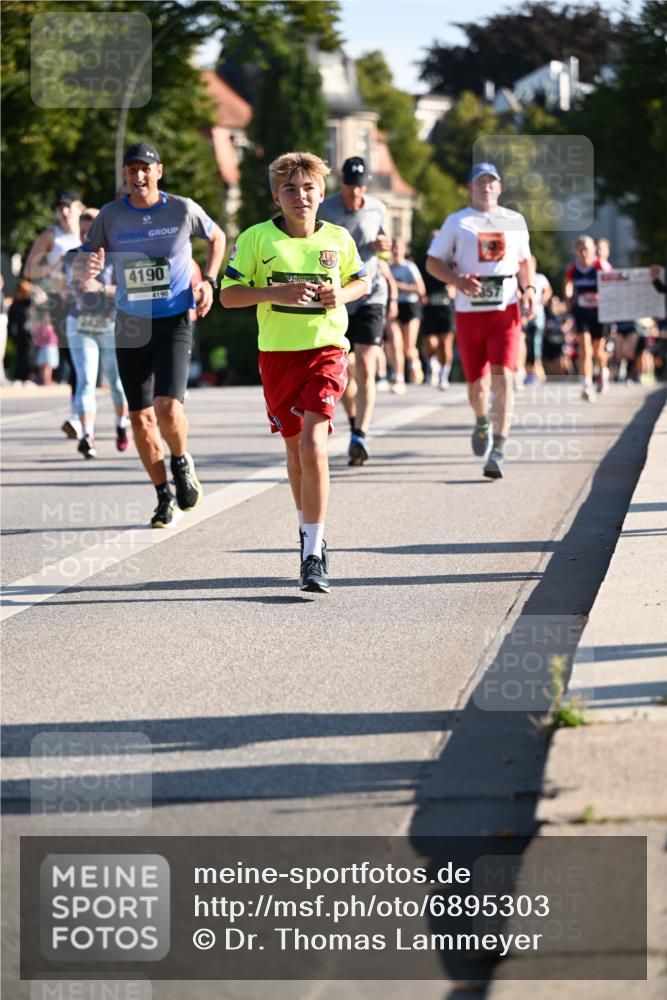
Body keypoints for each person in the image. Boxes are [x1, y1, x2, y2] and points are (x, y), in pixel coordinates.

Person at [220, 151, 368, 593]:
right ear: (276, 196)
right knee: (294, 454)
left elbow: (362, 281)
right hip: (278, 356)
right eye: (290, 189)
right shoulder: (257, 240)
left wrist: (341, 294)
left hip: (325, 350)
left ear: (322, 194)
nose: (300, 197)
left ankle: (312, 554)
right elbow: (228, 296)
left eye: (308, 189)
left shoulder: (339, 238)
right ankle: (308, 530)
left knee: (313, 444)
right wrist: (276, 290)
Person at [78, 141, 225, 526]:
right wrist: (86, 270)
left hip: (175, 318)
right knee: (140, 417)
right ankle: (163, 497)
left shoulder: (182, 209)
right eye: (132, 170)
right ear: (125, 175)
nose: (139, 176)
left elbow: (218, 238)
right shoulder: (110, 216)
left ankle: (180, 460)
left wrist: (209, 281)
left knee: (167, 408)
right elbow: (83, 262)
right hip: (131, 322)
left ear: (159, 172)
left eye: (146, 168)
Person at [426, 162, 536, 479]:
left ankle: (499, 448)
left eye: (492, 181)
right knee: (477, 386)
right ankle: (481, 420)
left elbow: (525, 261)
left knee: (504, 377)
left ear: (499, 187)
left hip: (506, 312)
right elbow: (433, 262)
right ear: (470, 187)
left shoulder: (514, 221)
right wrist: (457, 280)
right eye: (480, 182)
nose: (486, 186)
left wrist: (528, 288)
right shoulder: (457, 222)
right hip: (469, 314)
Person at [318, 156, 392, 466]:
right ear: (343, 185)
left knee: (366, 365)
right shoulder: (326, 209)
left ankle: (360, 434)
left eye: (361, 188)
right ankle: (352, 420)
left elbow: (386, 246)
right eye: (351, 188)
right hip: (340, 297)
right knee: (343, 370)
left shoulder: (377, 207)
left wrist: (383, 245)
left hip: (371, 291)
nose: (356, 195)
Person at [65, 209, 130, 459]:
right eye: (82, 231)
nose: (85, 235)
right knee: (86, 381)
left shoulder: (117, 257)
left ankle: (121, 423)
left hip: (110, 325)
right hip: (80, 325)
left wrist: (101, 287)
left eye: (89, 230)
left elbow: (128, 290)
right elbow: (69, 284)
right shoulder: (73, 256)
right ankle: (87, 435)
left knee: (115, 382)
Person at [24, 190, 84, 435]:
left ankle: (120, 419)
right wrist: (56, 264)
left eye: (69, 206)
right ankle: (78, 417)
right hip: (62, 303)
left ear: (80, 208)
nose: (64, 211)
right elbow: (29, 270)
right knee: (75, 359)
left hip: (94, 303)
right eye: (60, 207)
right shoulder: (52, 236)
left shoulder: (90, 232)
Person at [564, 235, 608, 401]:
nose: (583, 252)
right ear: (576, 250)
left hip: (600, 313)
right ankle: (587, 384)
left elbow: (613, 286)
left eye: (586, 248)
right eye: (580, 248)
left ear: (593, 250)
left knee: (597, 351)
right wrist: (568, 298)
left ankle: (603, 371)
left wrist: (600, 296)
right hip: (581, 312)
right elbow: (568, 284)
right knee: (584, 348)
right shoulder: (572, 268)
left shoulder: (600, 266)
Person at [390, 238, 427, 384]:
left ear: (404, 249)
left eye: (398, 246)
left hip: (410, 307)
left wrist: (399, 286)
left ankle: (415, 365)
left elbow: (420, 289)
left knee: (408, 347)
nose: (395, 249)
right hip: (395, 306)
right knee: (395, 344)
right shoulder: (389, 268)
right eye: (393, 246)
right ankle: (398, 376)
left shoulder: (409, 267)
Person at [421, 237, 456, 390]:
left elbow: (460, 280)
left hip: (447, 307)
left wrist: (454, 288)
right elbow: (419, 282)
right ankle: (432, 366)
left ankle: (443, 376)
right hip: (430, 307)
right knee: (431, 343)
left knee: (446, 344)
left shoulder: (451, 262)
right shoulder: (425, 263)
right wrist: (421, 294)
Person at [524, 256, 552, 384]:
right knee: (525, 342)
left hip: (537, 314)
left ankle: (536, 370)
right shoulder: (520, 276)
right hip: (523, 315)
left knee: (536, 342)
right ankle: (525, 370)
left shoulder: (540, 278)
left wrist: (540, 301)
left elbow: (548, 291)